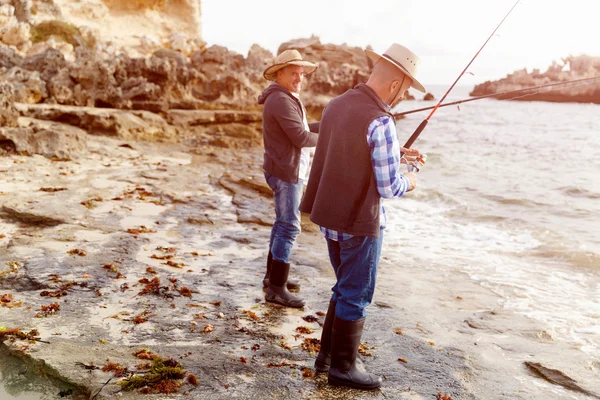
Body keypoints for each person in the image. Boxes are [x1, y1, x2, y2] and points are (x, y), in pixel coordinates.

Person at [299, 43, 426, 390]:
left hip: (330, 216)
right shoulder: (382, 120)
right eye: (406, 89)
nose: (403, 97)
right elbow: (387, 186)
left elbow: (346, 148)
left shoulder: (336, 105)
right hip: (359, 221)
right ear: (397, 84)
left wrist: (395, 152)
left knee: (343, 287)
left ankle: (326, 358)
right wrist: (410, 180)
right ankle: (344, 368)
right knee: (356, 293)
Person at [257, 49, 320, 309]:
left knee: (282, 223)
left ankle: (273, 277)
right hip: (286, 172)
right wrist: (335, 138)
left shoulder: (284, 97)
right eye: (293, 72)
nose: (299, 78)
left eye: (301, 73)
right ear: (279, 73)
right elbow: (301, 138)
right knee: (290, 226)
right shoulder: (281, 100)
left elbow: (303, 130)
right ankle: (276, 289)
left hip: (283, 168)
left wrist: (332, 125)